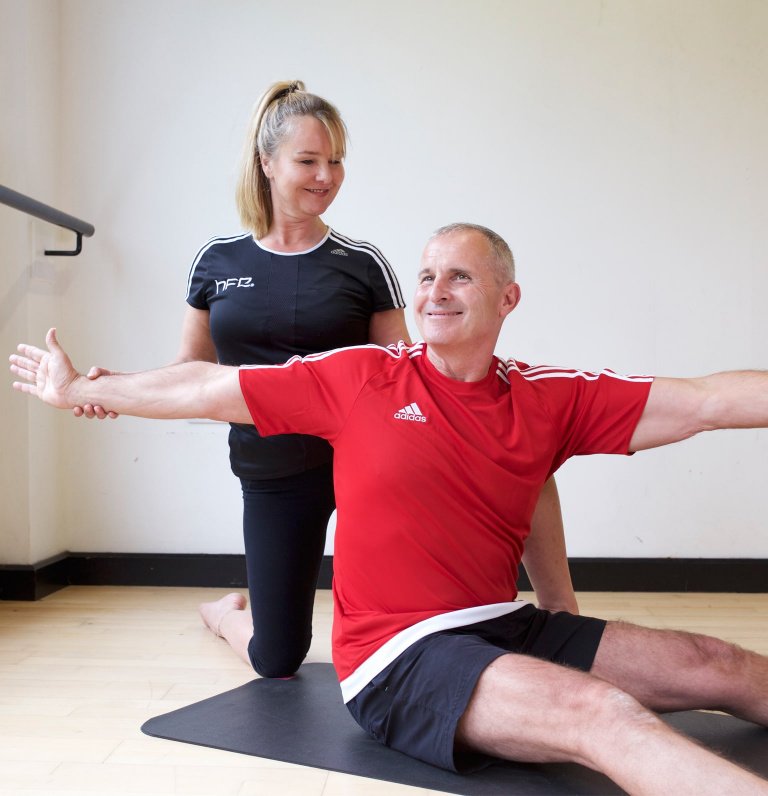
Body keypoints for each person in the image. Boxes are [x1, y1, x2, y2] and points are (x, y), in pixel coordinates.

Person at [14, 221, 767, 793]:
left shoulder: (548, 396)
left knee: (720, 663)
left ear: (508, 297)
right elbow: (209, 387)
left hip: (499, 623)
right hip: (397, 654)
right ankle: (226, 613)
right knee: (602, 716)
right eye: (428, 276)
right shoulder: (365, 378)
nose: (435, 292)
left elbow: (706, 401)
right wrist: (86, 388)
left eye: (460, 278)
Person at [70, 81, 577, 678]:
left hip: (363, 468)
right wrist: (112, 388)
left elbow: (410, 373)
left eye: (335, 160)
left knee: (422, 622)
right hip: (273, 473)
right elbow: (193, 371)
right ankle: (225, 614)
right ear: (266, 164)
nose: (326, 175)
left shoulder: (363, 264)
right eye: (308, 160)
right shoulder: (219, 262)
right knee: (276, 659)